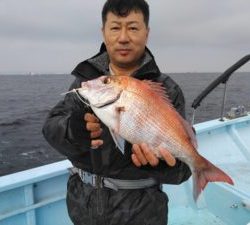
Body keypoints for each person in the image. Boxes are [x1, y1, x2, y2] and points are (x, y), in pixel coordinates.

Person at [43, 0, 191, 224]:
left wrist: (161, 164)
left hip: (143, 213)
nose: (123, 37)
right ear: (103, 32)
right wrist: (73, 131)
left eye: (132, 27)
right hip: (83, 209)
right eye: (115, 27)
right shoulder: (87, 82)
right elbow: (50, 128)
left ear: (146, 33)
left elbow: (183, 171)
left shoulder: (167, 90)